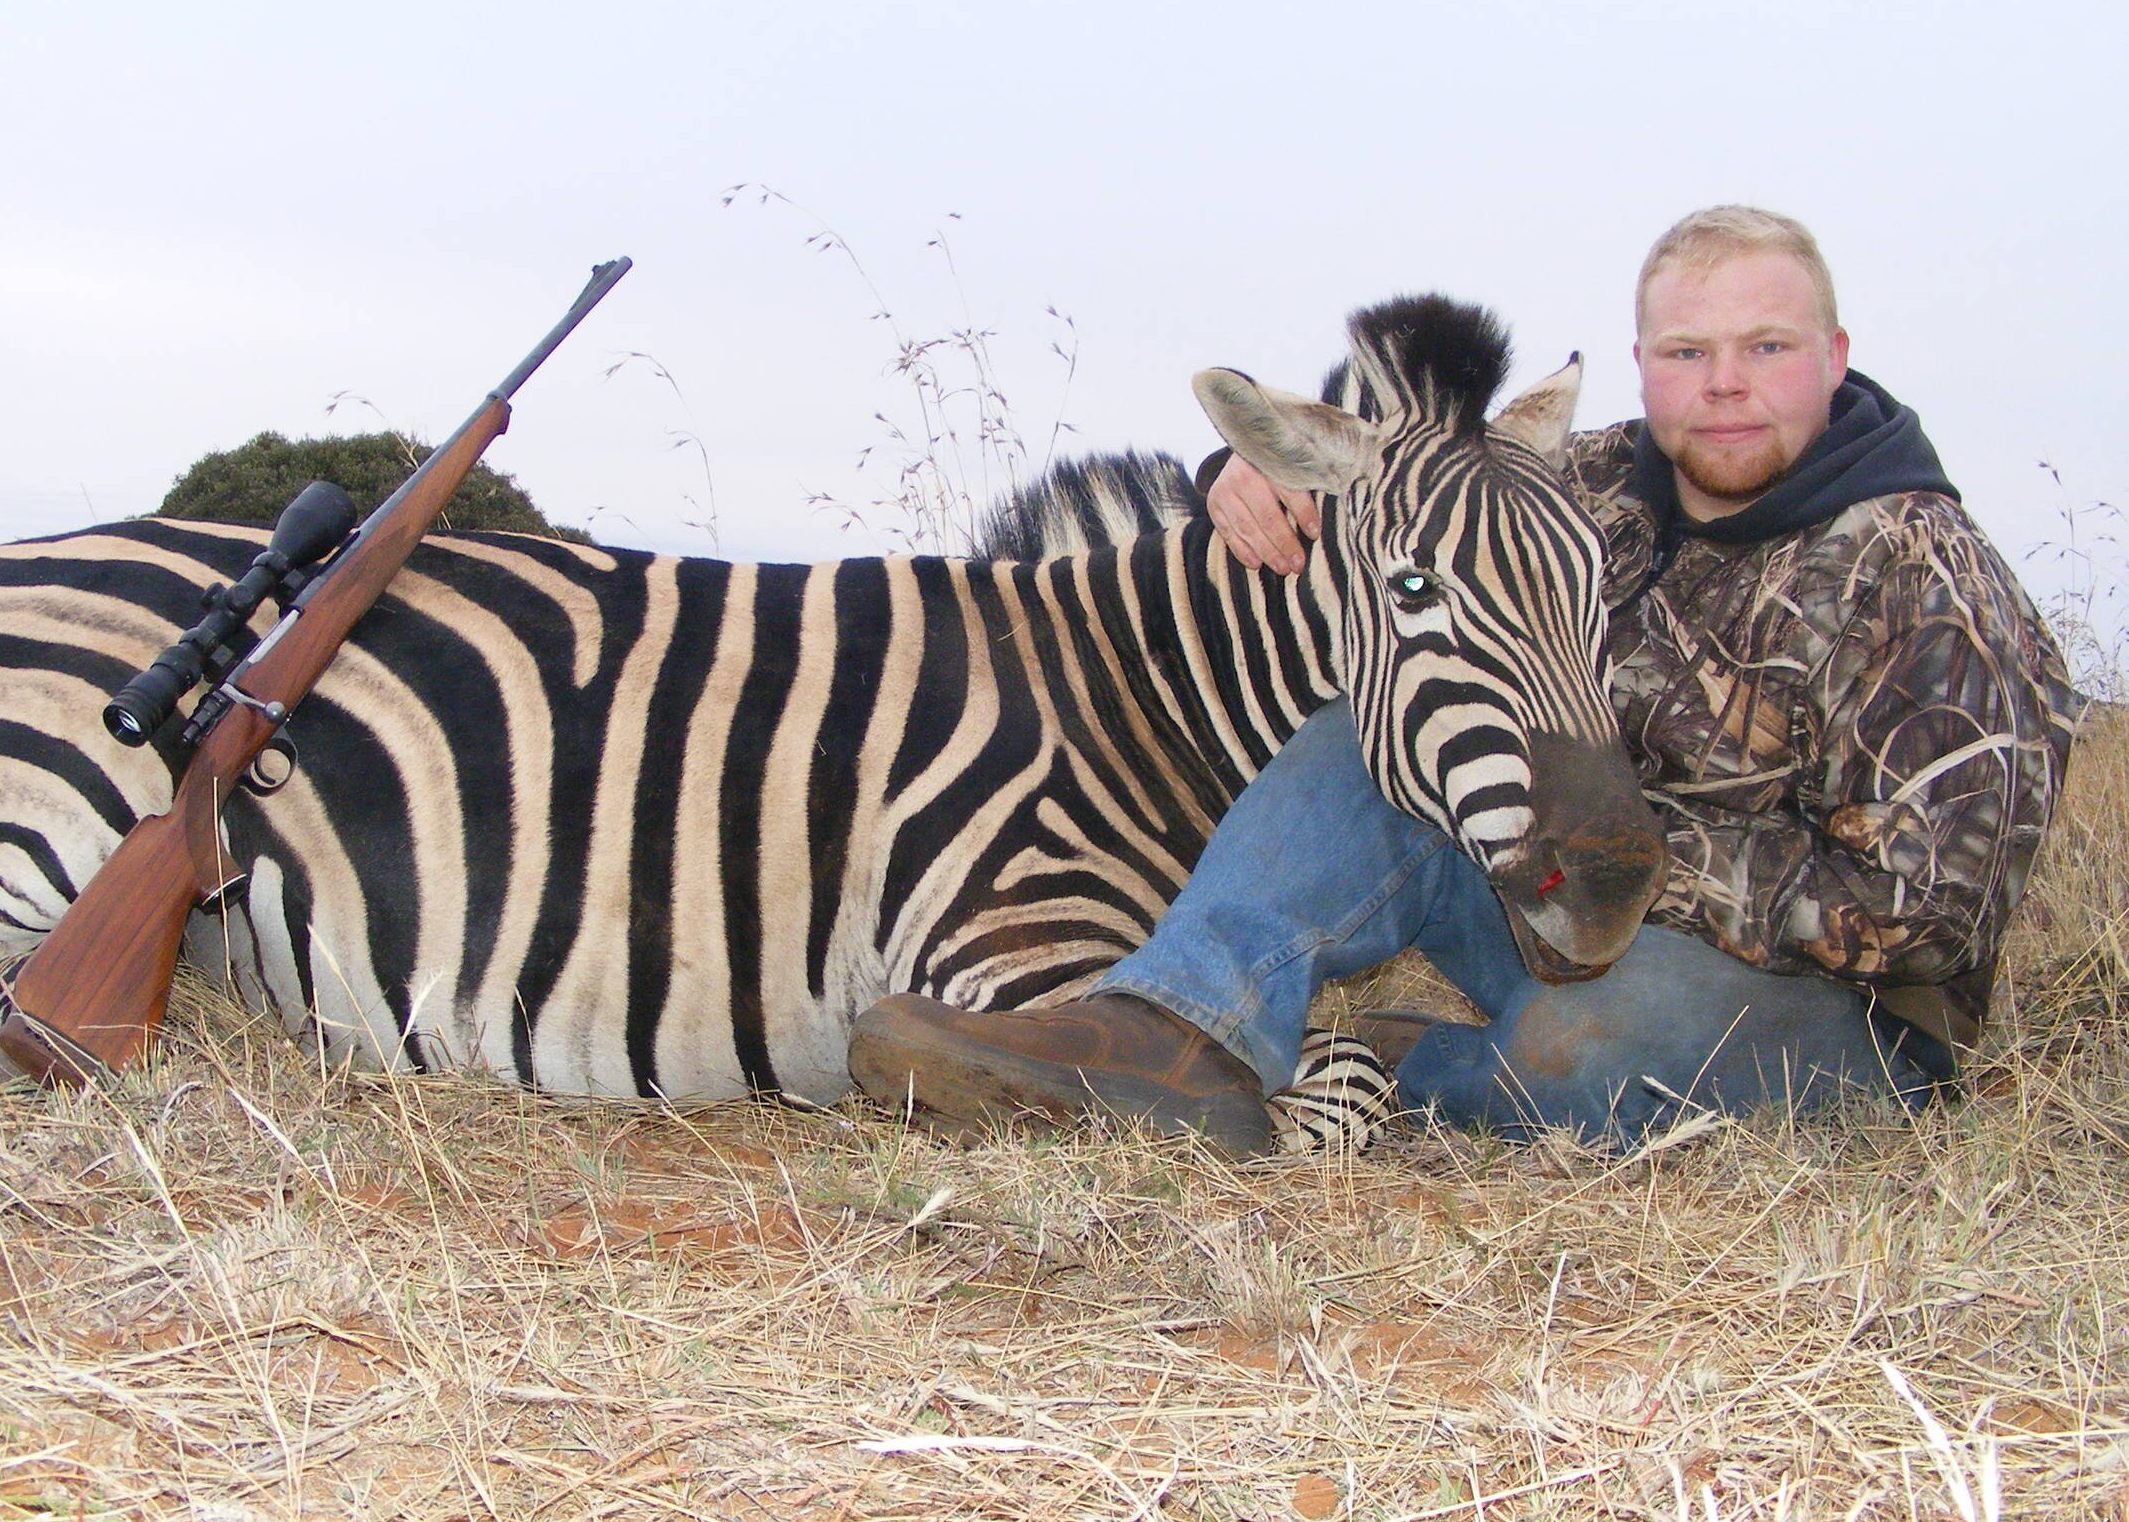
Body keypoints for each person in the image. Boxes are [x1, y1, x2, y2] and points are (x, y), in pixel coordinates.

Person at [846, 207, 2081, 1153]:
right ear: (1641, 366)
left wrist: (1630, 845)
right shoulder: (1570, 478)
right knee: (1382, 727)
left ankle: (1371, 1072)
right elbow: (1396, 492)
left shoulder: (1928, 568)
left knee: (1574, 1051)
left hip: (1831, 1007)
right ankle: (1173, 1030)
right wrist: (1244, 481)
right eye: (1686, 350)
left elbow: (1927, 911)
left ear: (1835, 355)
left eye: (1766, 346)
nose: (1723, 383)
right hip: (1561, 891)